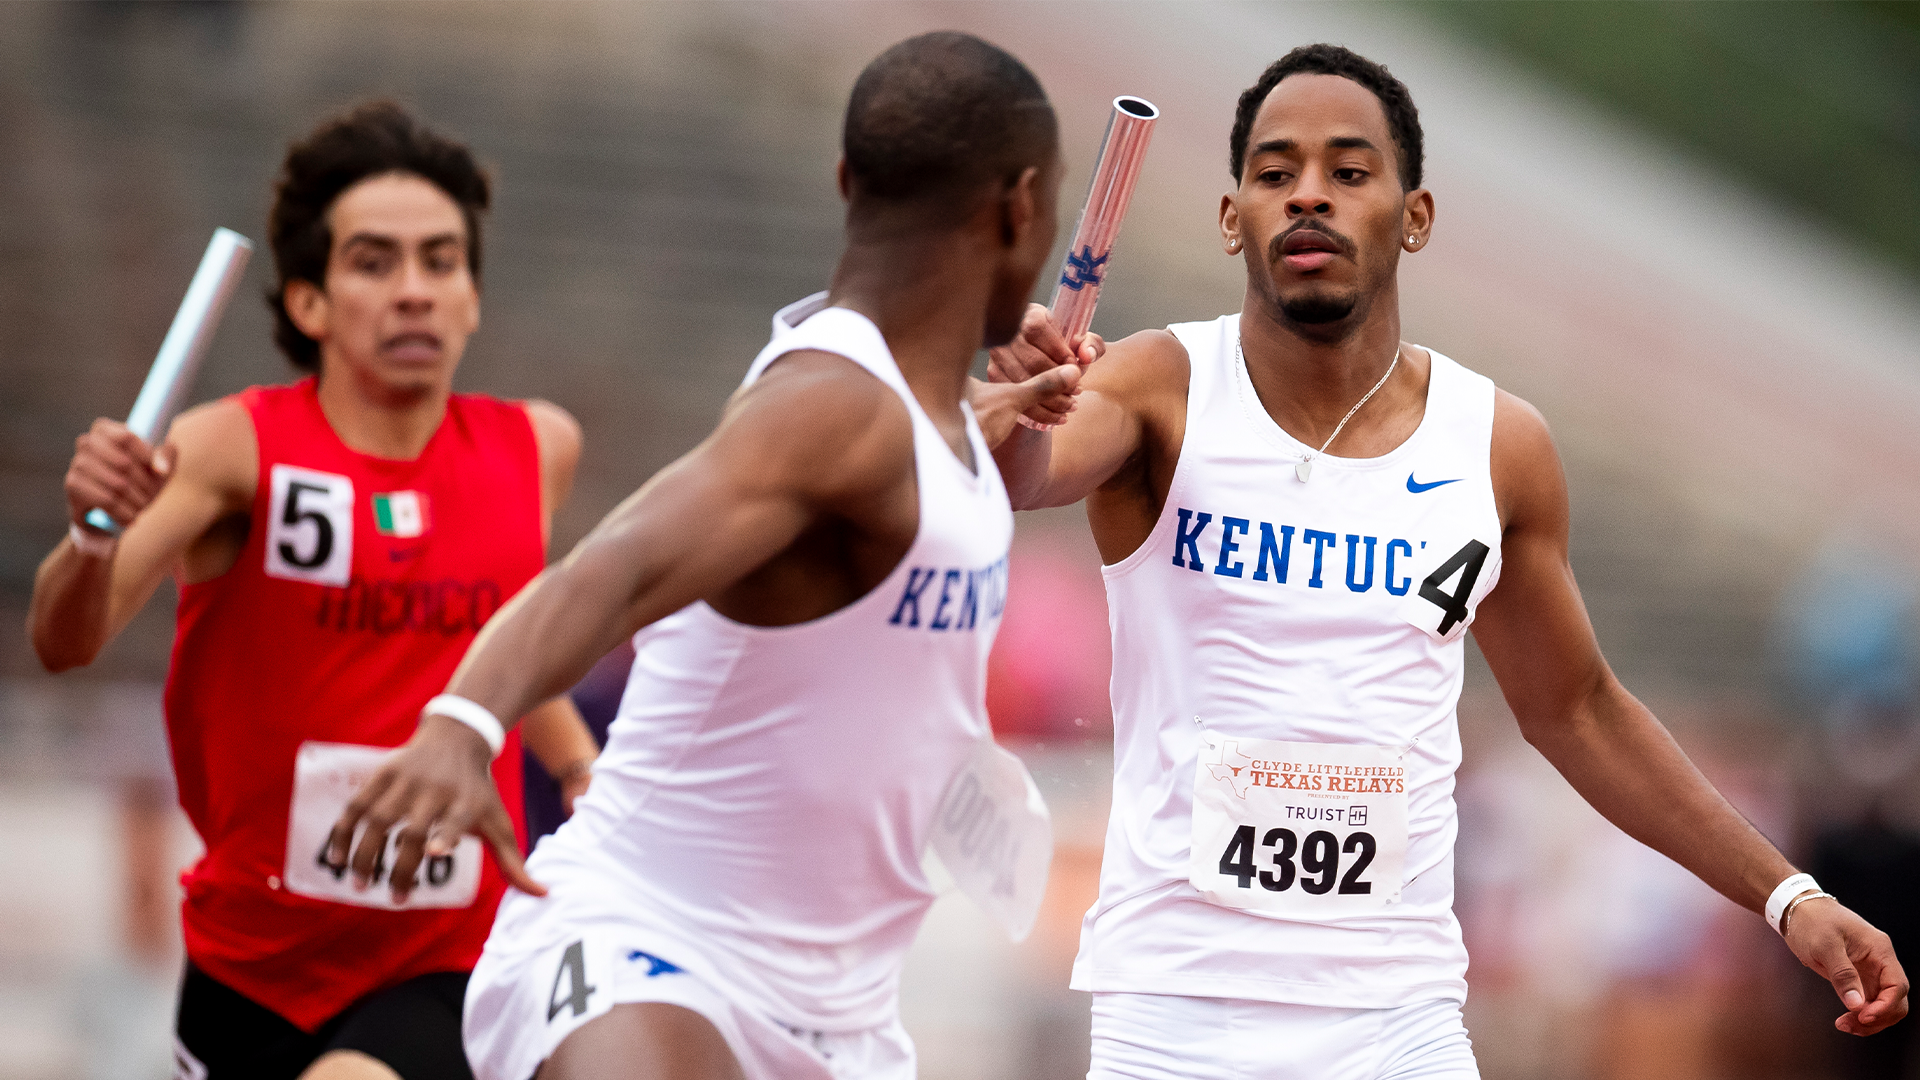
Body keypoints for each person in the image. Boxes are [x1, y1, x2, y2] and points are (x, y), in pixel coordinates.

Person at [979, 43, 1909, 1079]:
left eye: (1349, 170)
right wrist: (1016, 402)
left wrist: (1790, 897)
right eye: (1275, 173)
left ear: (1413, 216)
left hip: (1397, 1020)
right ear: (1231, 214)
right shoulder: (1163, 387)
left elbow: (1579, 711)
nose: (1309, 198)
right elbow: (1021, 471)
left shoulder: (1495, 445)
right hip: (1182, 1015)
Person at [325, 32, 1078, 1080]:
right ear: (1022, 207)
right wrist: (462, 720)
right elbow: (619, 562)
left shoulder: (921, 414)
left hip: (845, 1017)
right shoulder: (831, 408)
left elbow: (909, 472)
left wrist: (996, 407)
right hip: (653, 949)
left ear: (846, 180)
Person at [29, 101, 601, 1080]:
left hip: (447, 958)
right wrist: (91, 538)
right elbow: (64, 641)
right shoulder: (231, 449)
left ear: (473, 296)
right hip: (250, 960)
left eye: (441, 262)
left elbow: (504, 632)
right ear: (308, 302)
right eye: (375, 263)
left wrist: (583, 770)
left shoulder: (536, 448)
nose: (415, 292)